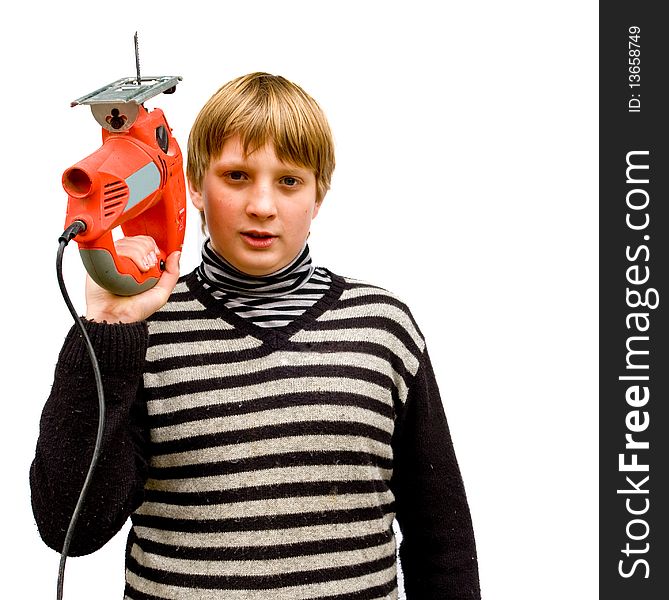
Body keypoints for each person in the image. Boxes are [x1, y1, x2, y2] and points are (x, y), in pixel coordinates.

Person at [31, 72, 480, 599]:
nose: (262, 205)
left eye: (289, 181)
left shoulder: (383, 328)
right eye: (237, 176)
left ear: (319, 195)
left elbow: (442, 542)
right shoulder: (139, 333)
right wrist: (108, 331)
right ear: (193, 185)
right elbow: (69, 528)